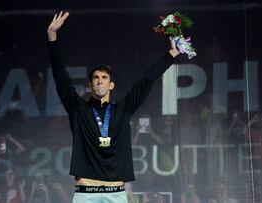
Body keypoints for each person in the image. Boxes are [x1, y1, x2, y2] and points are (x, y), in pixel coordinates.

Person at [47, 11, 180, 203]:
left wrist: (170, 56)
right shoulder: (78, 110)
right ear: (90, 84)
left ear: (111, 85)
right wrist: (52, 37)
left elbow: (146, 81)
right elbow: (60, 77)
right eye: (95, 78)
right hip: (86, 193)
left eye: (104, 78)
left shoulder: (122, 110)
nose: (99, 81)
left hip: (115, 193)